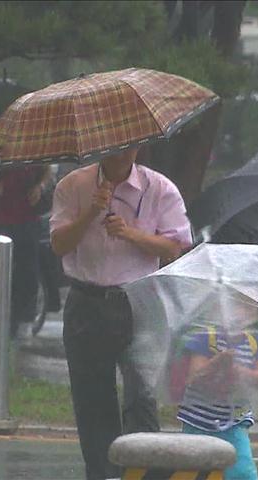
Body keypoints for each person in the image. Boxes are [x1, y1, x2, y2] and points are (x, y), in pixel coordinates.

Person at [50, 146, 192, 480]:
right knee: (92, 399)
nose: (119, 154)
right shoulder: (73, 186)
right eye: (112, 148)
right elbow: (58, 244)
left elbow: (175, 246)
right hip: (87, 300)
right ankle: (102, 473)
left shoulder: (159, 188)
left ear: (138, 147)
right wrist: (90, 214)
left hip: (139, 301)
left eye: (127, 147)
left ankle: (144, 473)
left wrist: (130, 233)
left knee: (141, 395)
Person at [176, 318, 258, 480]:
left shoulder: (255, 341)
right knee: (194, 471)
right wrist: (217, 361)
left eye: (247, 309)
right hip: (198, 420)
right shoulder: (205, 337)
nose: (240, 314)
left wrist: (240, 370)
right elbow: (194, 377)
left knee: (242, 472)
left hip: (235, 421)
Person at [0, 164, 51, 339]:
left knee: (28, 271)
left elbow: (46, 170)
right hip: (0, 219)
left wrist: (39, 186)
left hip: (27, 219)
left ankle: (25, 318)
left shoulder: (34, 147)